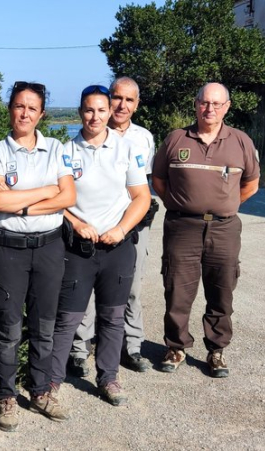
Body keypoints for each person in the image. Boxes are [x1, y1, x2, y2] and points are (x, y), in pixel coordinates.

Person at [0, 82, 75, 431]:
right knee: (8, 328)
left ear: (41, 115)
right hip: (8, 250)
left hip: (49, 247)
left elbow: (68, 196)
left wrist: (19, 202)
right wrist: (47, 191)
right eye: (19, 106)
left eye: (32, 108)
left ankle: (40, 391)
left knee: (44, 325)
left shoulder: (56, 148)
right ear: (11, 109)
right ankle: (6, 395)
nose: (24, 113)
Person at [50, 85, 151, 407]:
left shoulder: (126, 149)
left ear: (110, 112)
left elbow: (142, 197)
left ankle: (108, 377)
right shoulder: (64, 151)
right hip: (78, 248)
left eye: (101, 110)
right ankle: (51, 381)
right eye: (89, 110)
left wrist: (122, 229)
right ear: (80, 112)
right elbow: (55, 200)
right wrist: (76, 223)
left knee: (112, 317)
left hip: (117, 248)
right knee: (68, 318)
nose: (95, 116)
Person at [151, 82, 260, 378]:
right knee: (177, 291)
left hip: (224, 229)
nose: (209, 109)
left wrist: (227, 203)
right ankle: (176, 346)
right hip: (182, 227)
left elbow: (251, 184)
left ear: (227, 107)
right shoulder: (176, 139)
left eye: (216, 104)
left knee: (222, 291)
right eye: (204, 103)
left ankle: (216, 350)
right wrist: (178, 203)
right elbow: (158, 180)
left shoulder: (241, 142)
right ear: (196, 104)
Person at [69, 76, 158, 375]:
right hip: (89, 230)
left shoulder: (142, 138)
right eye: (117, 98)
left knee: (130, 289)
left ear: (136, 105)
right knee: (87, 294)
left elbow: (141, 190)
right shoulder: (73, 146)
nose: (121, 105)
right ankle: (82, 349)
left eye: (128, 100)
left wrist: (124, 226)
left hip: (131, 226)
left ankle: (131, 347)